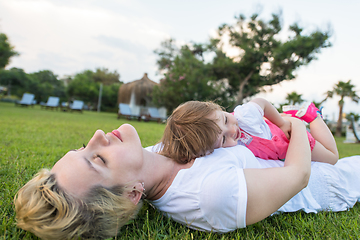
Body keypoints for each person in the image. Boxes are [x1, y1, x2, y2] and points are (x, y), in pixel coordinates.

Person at [14, 121, 360, 240]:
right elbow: (297, 176)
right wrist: (296, 125)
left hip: (295, 150)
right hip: (332, 181)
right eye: (99, 159)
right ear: (134, 194)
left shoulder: (153, 153)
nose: (98, 135)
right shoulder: (208, 197)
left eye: (81, 148)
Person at [159, 98, 339, 164]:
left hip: (290, 137)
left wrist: (282, 123)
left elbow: (262, 102)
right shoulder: (210, 140)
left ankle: (312, 116)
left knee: (332, 157)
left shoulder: (244, 116)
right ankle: (293, 115)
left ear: (218, 108)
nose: (232, 130)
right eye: (223, 139)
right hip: (276, 143)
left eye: (226, 119)